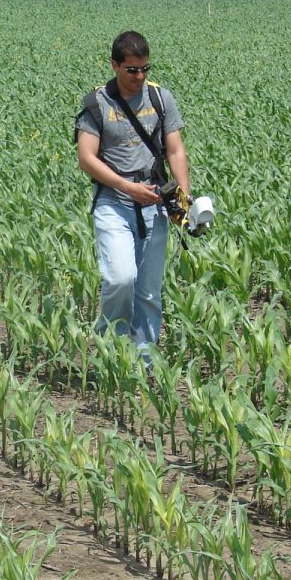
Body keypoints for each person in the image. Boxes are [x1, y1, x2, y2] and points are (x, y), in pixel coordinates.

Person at [75, 30, 192, 361]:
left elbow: (175, 150)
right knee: (121, 279)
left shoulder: (160, 98)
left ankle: (143, 363)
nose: (139, 76)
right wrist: (128, 188)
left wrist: (184, 197)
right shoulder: (97, 104)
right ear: (114, 65)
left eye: (144, 69)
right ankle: (109, 352)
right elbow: (86, 158)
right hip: (114, 203)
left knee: (149, 292)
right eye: (131, 70)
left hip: (155, 203)